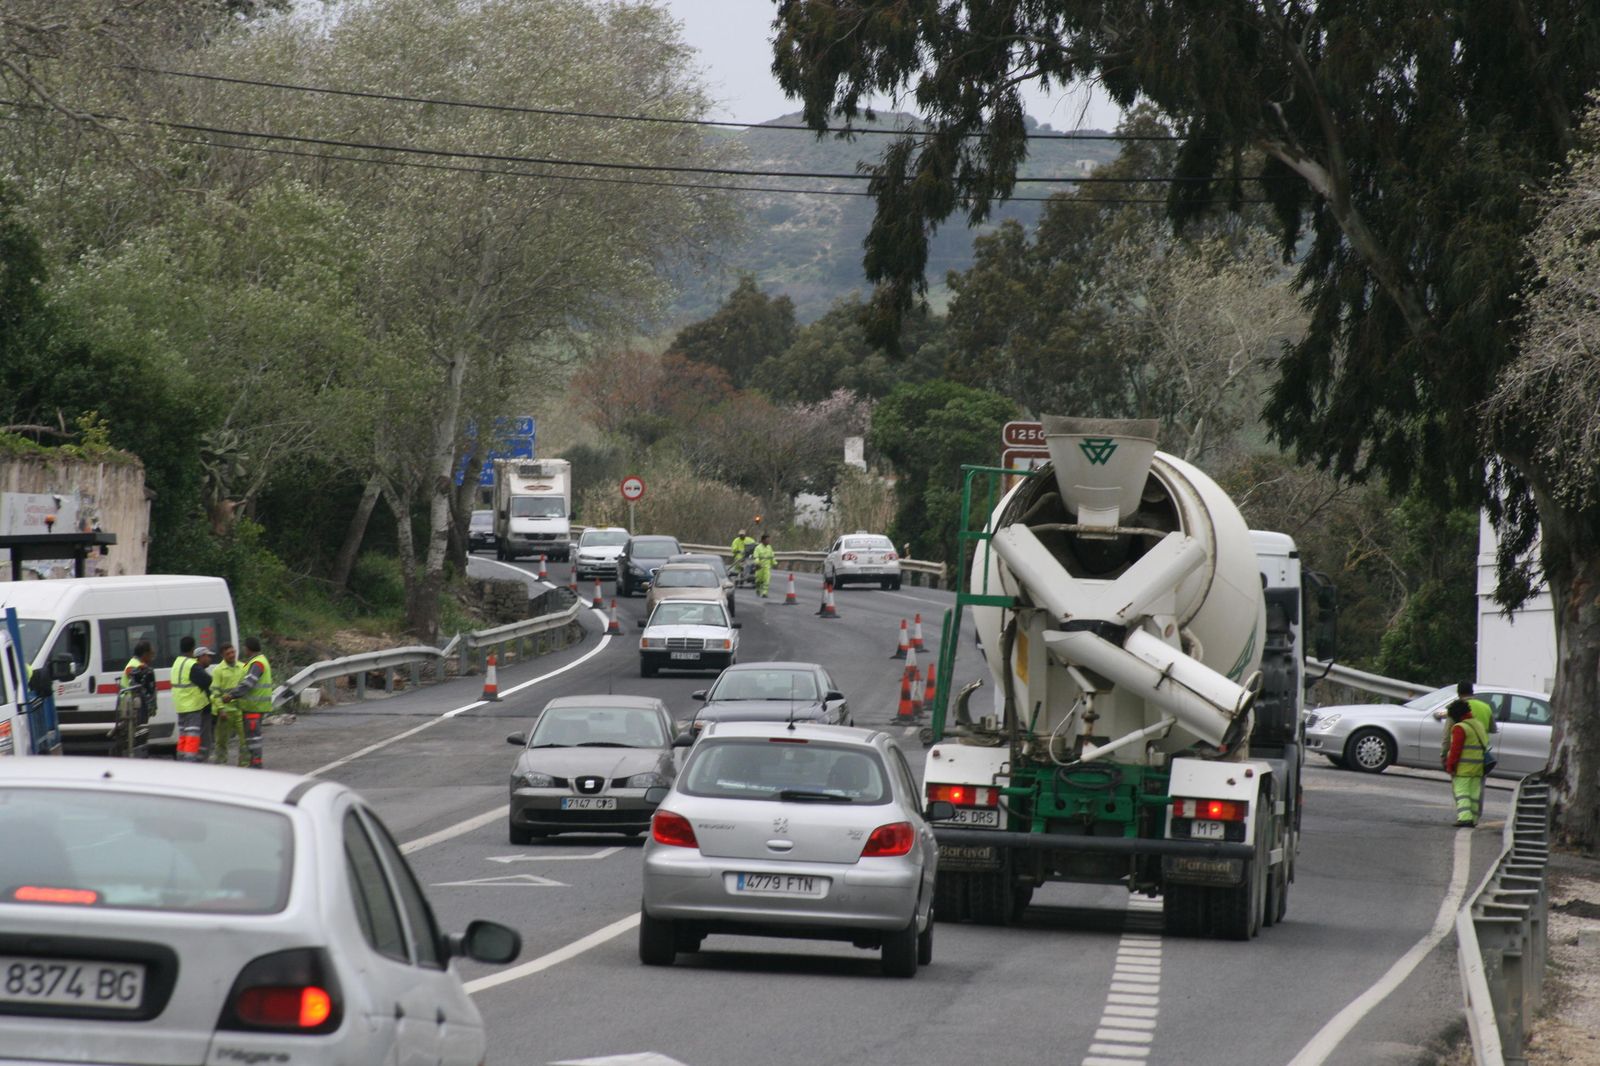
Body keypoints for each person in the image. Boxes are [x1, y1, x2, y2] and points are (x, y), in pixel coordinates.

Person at [221, 636, 272, 769]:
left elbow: (248, 683)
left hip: (254, 707)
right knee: (251, 738)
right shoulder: (257, 661)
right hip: (254, 707)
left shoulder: (257, 663)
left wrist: (231, 695)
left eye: (245, 647)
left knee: (253, 738)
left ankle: (255, 764)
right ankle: (254, 763)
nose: (243, 649)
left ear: (249, 648)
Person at [1443, 699, 1490, 827]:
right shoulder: (1478, 724)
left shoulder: (1460, 727)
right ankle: (1473, 819)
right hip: (1478, 767)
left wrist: (1450, 766)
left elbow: (1455, 750)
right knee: (1474, 794)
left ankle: (1464, 818)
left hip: (1464, 768)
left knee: (1462, 792)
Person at [170, 637, 214, 763]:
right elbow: (207, 680)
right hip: (192, 706)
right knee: (192, 736)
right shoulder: (191, 665)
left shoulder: (177, 663)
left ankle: (182, 759)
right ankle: (190, 762)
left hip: (180, 706)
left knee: (183, 736)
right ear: (193, 649)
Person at [209, 642, 249, 766]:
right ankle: (221, 766)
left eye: (233, 652)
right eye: (228, 653)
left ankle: (244, 765)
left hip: (240, 710)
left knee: (245, 740)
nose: (232, 655)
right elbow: (215, 693)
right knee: (221, 742)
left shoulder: (243, 667)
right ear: (223, 655)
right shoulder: (218, 670)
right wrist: (221, 709)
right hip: (225, 712)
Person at [752, 533, 777, 599]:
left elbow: (772, 556)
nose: (768, 541)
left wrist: (774, 562)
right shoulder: (758, 548)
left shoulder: (769, 547)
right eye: (767, 540)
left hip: (767, 567)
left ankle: (764, 593)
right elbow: (756, 556)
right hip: (760, 567)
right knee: (759, 580)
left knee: (767, 579)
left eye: (769, 540)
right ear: (763, 540)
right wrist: (757, 562)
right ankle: (758, 589)